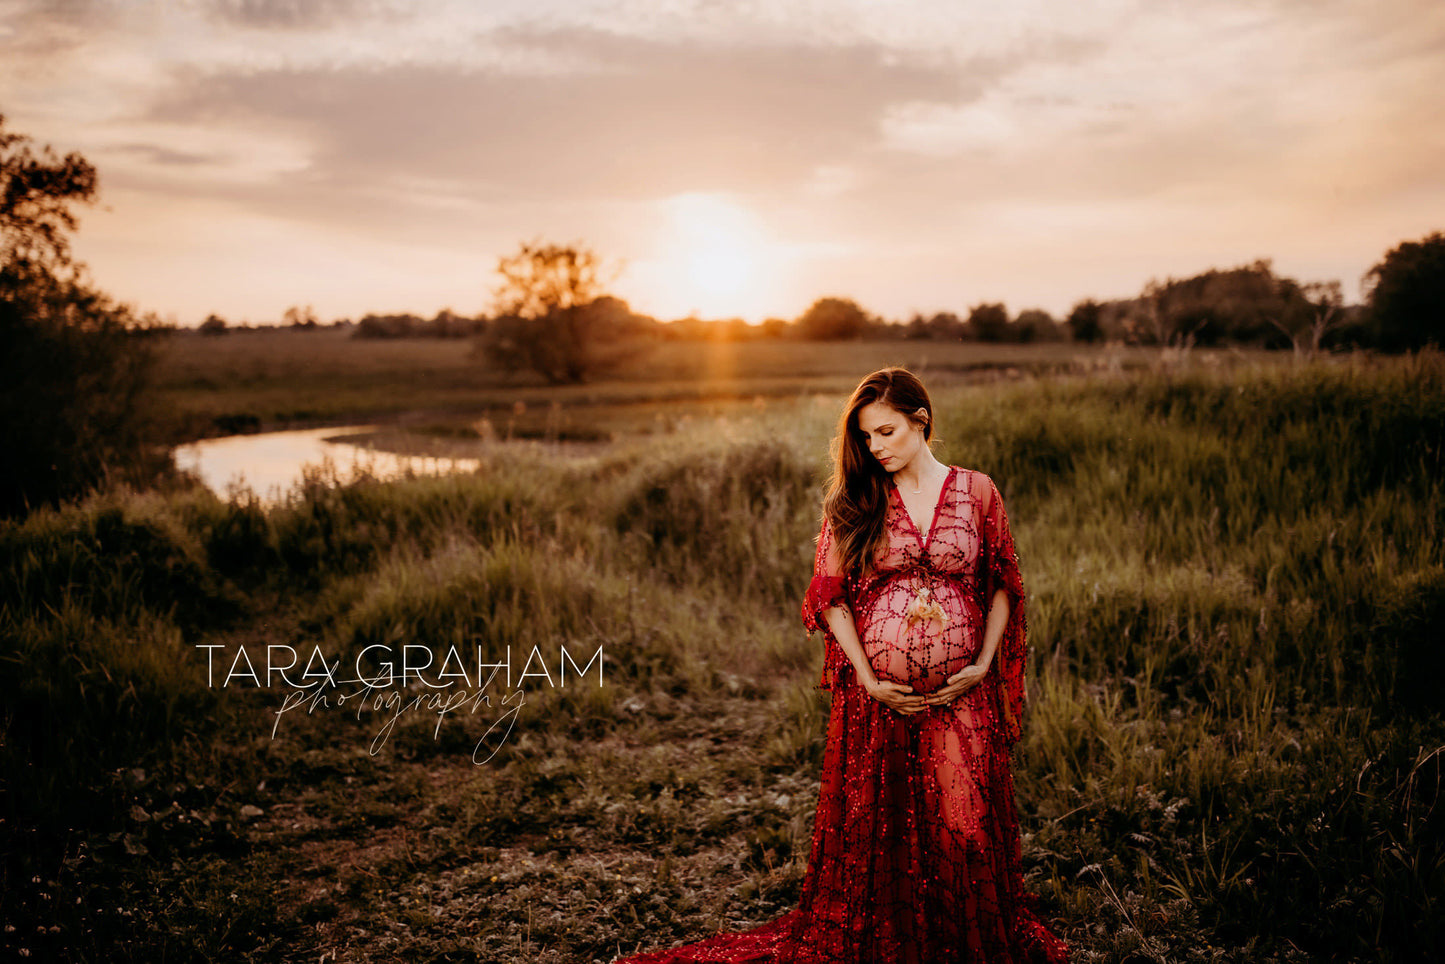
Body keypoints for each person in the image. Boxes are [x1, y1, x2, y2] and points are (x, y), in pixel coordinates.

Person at [615, 367, 1068, 964]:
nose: (875, 447)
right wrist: (869, 678)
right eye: (866, 436)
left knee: (963, 821)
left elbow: (1004, 582)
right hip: (879, 695)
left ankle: (959, 942)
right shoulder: (857, 499)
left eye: (886, 432)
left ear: (921, 421)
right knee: (885, 825)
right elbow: (829, 598)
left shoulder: (978, 491)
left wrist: (984, 662)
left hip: (961, 689)